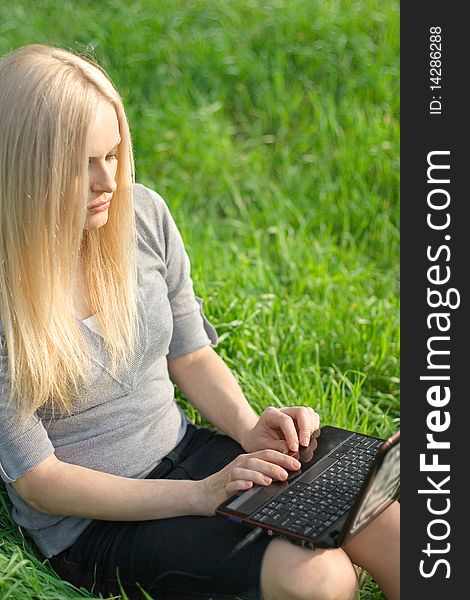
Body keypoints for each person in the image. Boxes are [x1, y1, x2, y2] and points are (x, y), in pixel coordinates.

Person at [0, 44, 400, 600]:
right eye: (80, 164)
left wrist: (246, 430)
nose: (107, 182)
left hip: (188, 452)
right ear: (23, 168)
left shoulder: (140, 217)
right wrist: (197, 496)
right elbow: (39, 482)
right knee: (320, 577)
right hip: (95, 522)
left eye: (113, 155)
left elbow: (189, 354)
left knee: (398, 530)